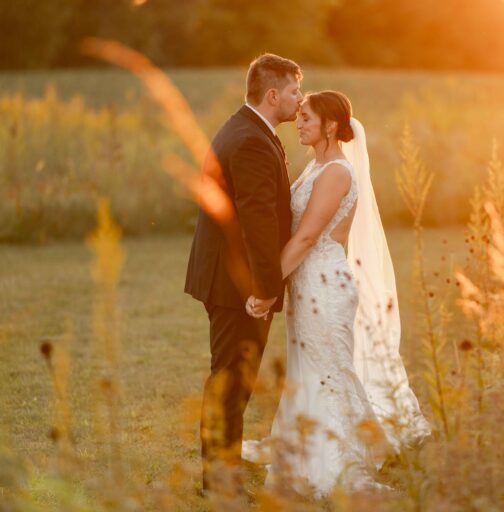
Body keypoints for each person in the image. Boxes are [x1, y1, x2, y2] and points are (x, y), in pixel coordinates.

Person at [242, 91, 431, 497]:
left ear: (330, 125)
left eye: (307, 117)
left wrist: (268, 287)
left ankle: (340, 461)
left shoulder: (338, 173)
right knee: (308, 369)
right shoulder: (315, 168)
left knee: (330, 368)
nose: (299, 122)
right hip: (305, 283)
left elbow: (308, 235)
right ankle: (305, 450)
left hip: (326, 283)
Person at [184, 53, 302, 494]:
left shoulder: (248, 129)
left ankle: (222, 469)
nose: (299, 99)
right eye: (293, 91)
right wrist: (266, 288)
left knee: (232, 379)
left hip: (228, 278)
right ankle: (219, 479)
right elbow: (257, 220)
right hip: (238, 285)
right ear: (273, 95)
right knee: (230, 380)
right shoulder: (250, 139)